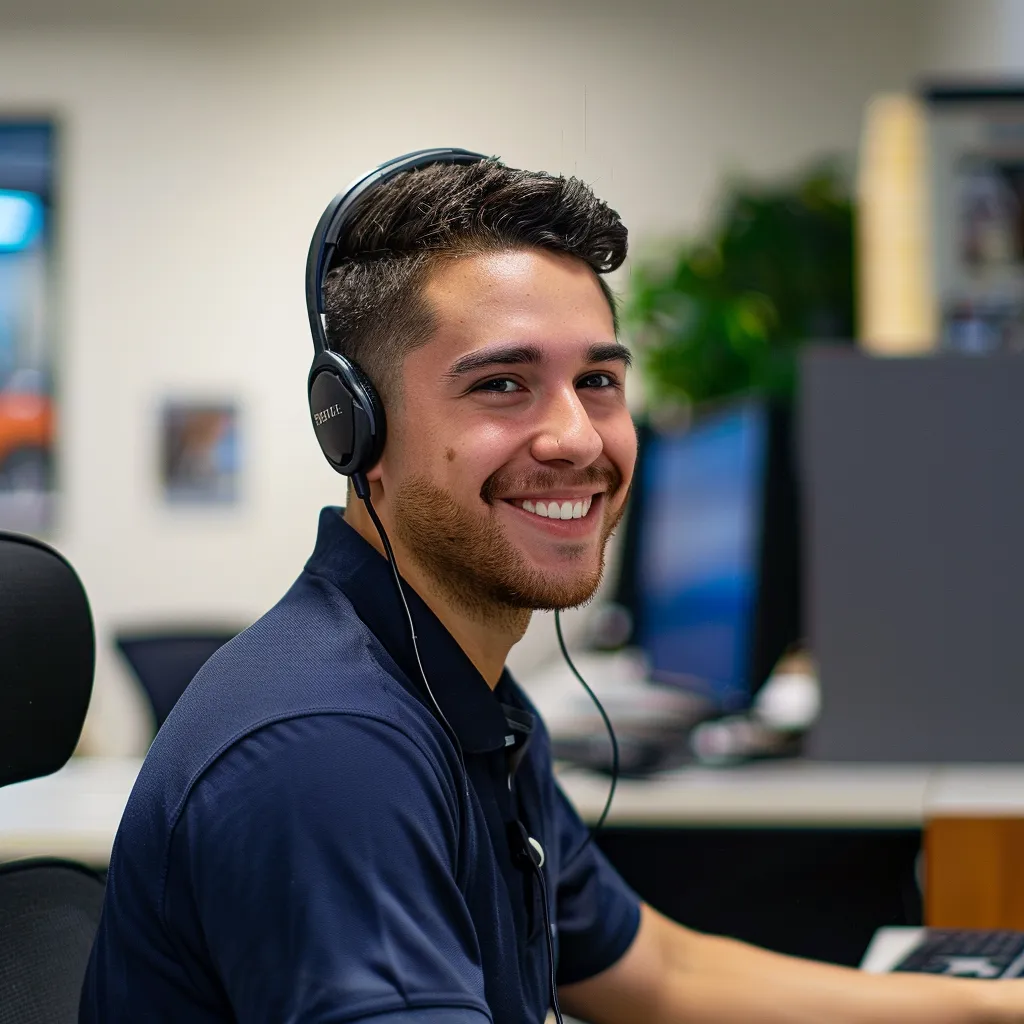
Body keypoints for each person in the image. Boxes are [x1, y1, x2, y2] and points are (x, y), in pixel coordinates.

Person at [81, 155, 1024, 1024]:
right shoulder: (328, 750)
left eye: (600, 380)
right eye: (501, 384)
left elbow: (659, 971)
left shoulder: (457, 685)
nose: (578, 437)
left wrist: (990, 1006)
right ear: (356, 433)